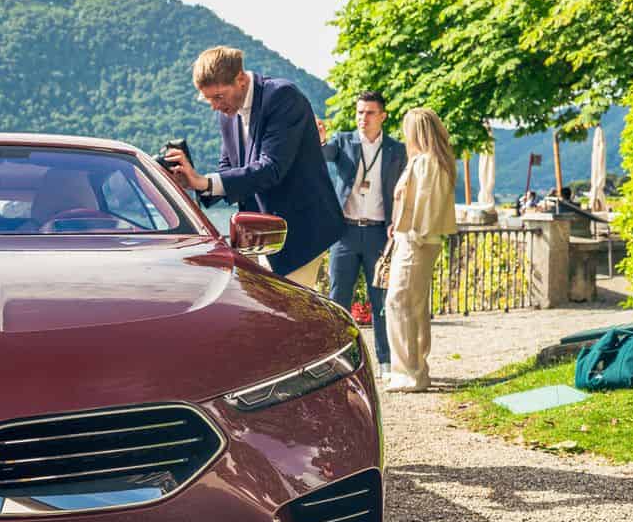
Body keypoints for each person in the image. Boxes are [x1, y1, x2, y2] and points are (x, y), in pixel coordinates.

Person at [163, 46, 343, 287]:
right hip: (260, 238)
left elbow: (271, 168)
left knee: (286, 307)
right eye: (208, 99)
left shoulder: (283, 96)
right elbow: (228, 168)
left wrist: (204, 182)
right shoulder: (227, 113)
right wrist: (193, 182)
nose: (214, 106)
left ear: (240, 79)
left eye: (218, 97)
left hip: (301, 233)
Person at [322, 91, 408, 375]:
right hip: (344, 232)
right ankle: (338, 360)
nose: (363, 118)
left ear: (383, 116)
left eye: (370, 113)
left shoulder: (396, 150)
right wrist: (319, 141)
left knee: (381, 300)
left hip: (379, 235)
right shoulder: (343, 141)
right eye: (360, 112)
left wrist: (399, 222)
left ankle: (385, 362)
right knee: (338, 299)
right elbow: (324, 154)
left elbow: (404, 191)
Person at [382, 107, 457, 392]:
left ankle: (409, 373)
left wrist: (413, 234)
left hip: (416, 242)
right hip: (417, 240)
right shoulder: (429, 161)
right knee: (413, 305)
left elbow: (426, 206)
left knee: (399, 302)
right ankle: (414, 369)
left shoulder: (426, 163)